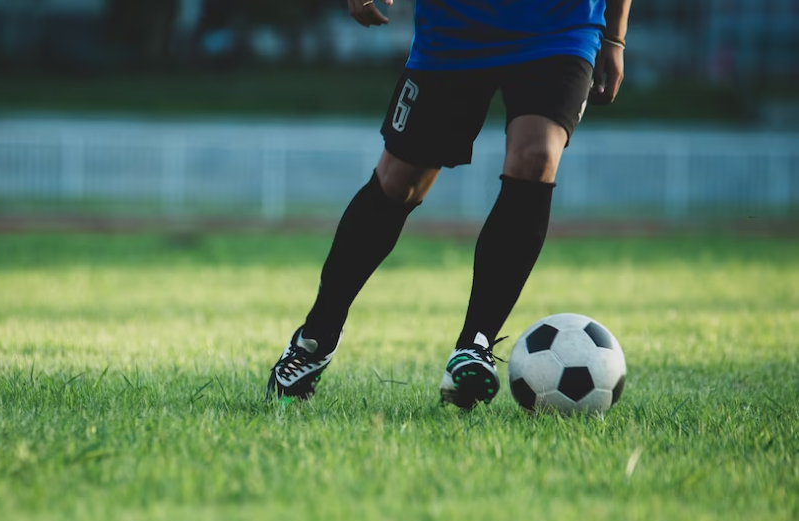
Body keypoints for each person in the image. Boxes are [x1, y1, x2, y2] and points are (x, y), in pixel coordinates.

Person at [267, 0, 632, 408]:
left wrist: (615, 37)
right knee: (399, 181)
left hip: (560, 24)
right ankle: (317, 336)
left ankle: (474, 344)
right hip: (456, 23)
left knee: (537, 156)